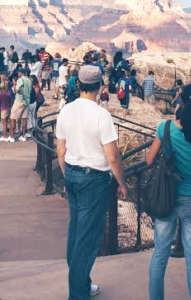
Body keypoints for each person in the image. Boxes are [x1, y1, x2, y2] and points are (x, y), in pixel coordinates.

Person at [55, 65, 128, 300]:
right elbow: (113, 157)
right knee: (88, 240)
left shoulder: (66, 110)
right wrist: (122, 183)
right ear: (100, 86)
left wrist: (67, 176)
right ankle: (78, 295)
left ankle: (83, 284)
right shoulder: (101, 115)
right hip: (94, 180)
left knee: (77, 232)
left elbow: (60, 150)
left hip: (72, 175)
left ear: (78, 84)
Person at [146, 84, 191, 300]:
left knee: (160, 252)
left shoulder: (165, 128)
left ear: (181, 102)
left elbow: (149, 159)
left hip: (166, 196)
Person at [11, 71, 32, 142]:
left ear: (20, 73)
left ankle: (11, 136)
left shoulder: (20, 80)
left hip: (19, 100)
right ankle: (23, 136)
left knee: (13, 117)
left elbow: (17, 90)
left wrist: (14, 85)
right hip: (27, 101)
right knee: (24, 118)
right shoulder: (29, 80)